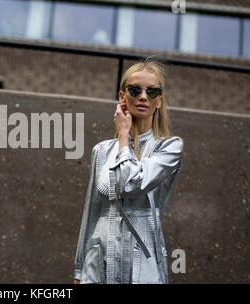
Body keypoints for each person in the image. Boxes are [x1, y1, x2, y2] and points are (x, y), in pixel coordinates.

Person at [73, 58, 184, 284]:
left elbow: (132, 184)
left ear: (159, 101)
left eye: (152, 92)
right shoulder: (102, 150)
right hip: (98, 259)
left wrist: (123, 136)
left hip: (142, 259)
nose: (143, 97)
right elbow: (92, 211)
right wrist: (78, 269)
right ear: (122, 97)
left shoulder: (169, 147)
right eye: (135, 90)